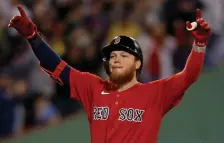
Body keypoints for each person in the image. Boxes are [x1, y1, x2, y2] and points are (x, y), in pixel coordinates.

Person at [8, 5, 211, 143]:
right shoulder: (93, 87)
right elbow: (57, 66)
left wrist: (200, 43)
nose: (116, 59)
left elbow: (189, 76)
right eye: (113, 55)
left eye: (124, 55)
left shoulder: (156, 93)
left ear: (137, 63)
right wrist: (33, 37)